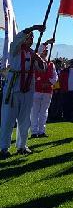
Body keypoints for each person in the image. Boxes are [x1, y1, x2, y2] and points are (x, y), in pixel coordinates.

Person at [0, 24, 46, 158]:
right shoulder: (15, 49)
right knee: (8, 118)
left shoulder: (32, 53)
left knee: (25, 119)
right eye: (28, 37)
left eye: (32, 37)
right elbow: (18, 37)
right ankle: (3, 147)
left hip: (28, 89)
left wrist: (40, 59)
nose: (30, 39)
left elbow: (41, 69)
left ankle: (21, 146)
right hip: (14, 87)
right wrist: (34, 27)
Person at [30, 40, 57, 138]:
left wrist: (49, 82)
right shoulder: (35, 62)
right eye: (44, 51)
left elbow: (55, 77)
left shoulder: (51, 64)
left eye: (46, 51)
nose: (45, 52)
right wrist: (46, 42)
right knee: (34, 111)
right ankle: (34, 131)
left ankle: (41, 131)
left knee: (44, 111)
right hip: (36, 90)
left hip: (47, 91)